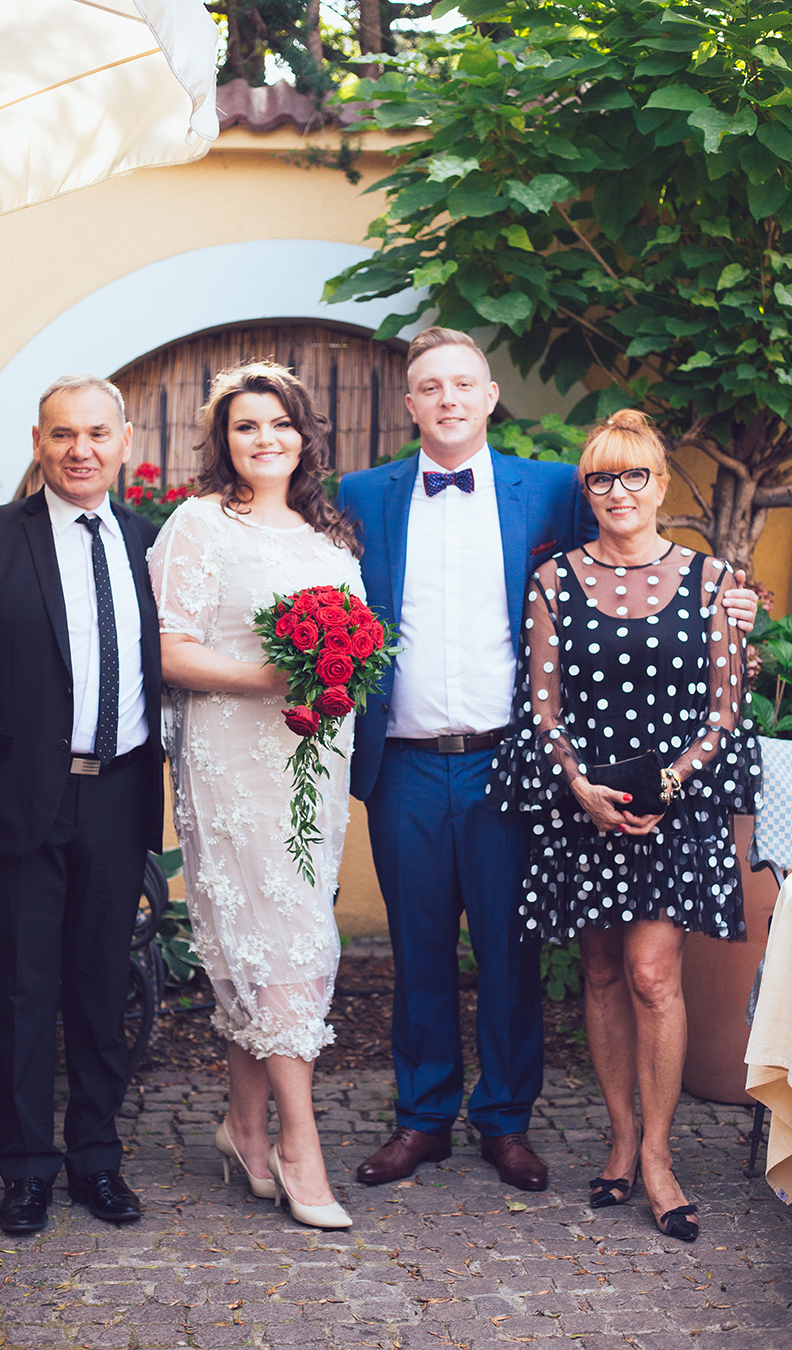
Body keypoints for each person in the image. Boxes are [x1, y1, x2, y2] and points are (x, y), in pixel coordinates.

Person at [334, 327, 759, 1192]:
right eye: (430, 387)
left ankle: (505, 1121)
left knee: (508, 953)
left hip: (511, 761)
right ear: (410, 404)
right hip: (405, 760)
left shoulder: (557, 488)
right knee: (418, 949)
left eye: (464, 383)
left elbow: (618, 573)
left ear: (490, 397)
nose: (448, 399)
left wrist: (736, 613)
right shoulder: (362, 495)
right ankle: (421, 1118)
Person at [488, 409, 760, 1240]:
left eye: (634, 474)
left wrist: (670, 784)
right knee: (603, 971)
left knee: (651, 975)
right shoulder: (554, 581)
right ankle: (618, 1139)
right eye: (601, 478)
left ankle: (660, 1157)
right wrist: (579, 786)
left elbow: (726, 710)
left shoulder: (713, 581)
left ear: (661, 483)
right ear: (588, 491)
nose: (618, 491)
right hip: (587, 807)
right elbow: (540, 706)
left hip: (675, 806)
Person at [0, 376, 164, 1235]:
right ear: (38, 441)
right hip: (18, 800)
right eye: (63, 434)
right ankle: (26, 1170)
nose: (80, 450)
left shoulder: (152, 543)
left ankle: (97, 1160)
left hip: (120, 793)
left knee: (101, 990)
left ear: (124, 441)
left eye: (97, 433)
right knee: (26, 992)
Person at [148, 361, 363, 1230]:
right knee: (280, 942)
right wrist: (270, 678)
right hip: (233, 759)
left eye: (280, 423)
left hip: (314, 760)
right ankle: (299, 1145)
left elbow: (357, 649)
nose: (265, 438)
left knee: (269, 943)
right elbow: (170, 651)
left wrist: (335, 680)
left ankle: (243, 1125)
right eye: (246, 426)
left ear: (305, 436)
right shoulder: (200, 523)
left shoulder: (330, 537)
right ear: (224, 440)